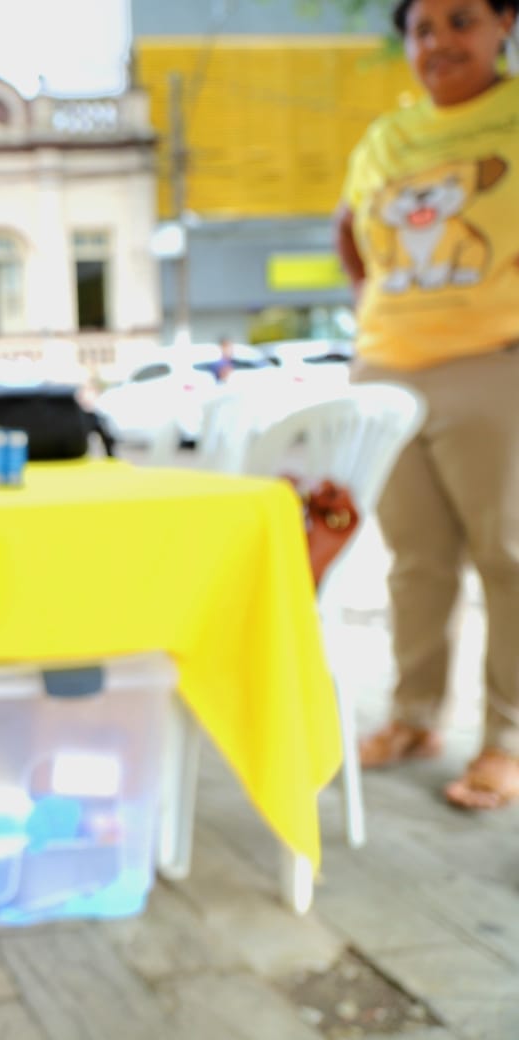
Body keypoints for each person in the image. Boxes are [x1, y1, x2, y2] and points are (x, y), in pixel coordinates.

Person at [336, 0, 519, 809]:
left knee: (508, 558)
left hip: (495, 363)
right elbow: (349, 227)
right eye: (422, 29)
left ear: (504, 22)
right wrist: (375, 307)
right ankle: (413, 718)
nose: (439, 42)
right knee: (414, 562)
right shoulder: (387, 138)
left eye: (461, 21)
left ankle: (506, 740)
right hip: (388, 370)